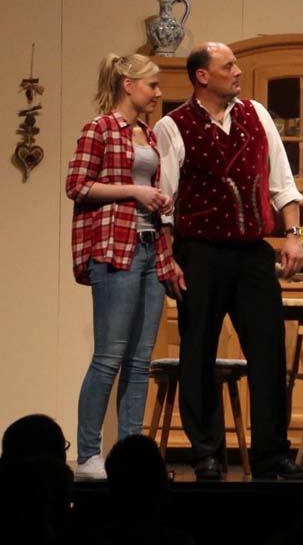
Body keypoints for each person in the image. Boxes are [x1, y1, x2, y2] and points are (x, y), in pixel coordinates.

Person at [154, 42, 303, 480]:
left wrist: (293, 235)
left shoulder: (256, 115)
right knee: (198, 351)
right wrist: (168, 258)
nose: (238, 71)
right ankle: (206, 453)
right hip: (200, 252)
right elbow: (164, 202)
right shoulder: (173, 126)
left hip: (251, 251)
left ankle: (271, 454)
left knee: (268, 350)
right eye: (228, 66)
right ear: (202, 76)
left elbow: (282, 181)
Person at [64, 54, 176, 480]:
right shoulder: (100, 128)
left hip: (150, 249)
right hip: (115, 249)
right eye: (152, 85)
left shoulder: (149, 133)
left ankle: (131, 457)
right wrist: (134, 191)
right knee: (109, 356)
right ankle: (88, 454)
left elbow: (146, 187)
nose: (158, 93)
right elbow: (77, 185)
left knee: (140, 360)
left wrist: (157, 199)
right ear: (128, 85)